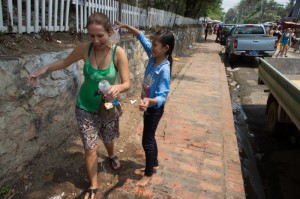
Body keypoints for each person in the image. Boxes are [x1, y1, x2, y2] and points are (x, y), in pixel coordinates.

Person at [29, 12, 130, 199]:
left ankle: (112, 155)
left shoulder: (118, 52)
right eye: (91, 35)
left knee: (107, 138)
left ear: (109, 32)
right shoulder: (85, 49)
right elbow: (64, 62)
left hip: (107, 106)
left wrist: (117, 88)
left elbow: (127, 83)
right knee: (89, 147)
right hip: (84, 106)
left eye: (100, 35)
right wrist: (43, 69)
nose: (96, 39)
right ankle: (93, 184)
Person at [115, 21, 174, 186]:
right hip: (148, 107)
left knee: (146, 141)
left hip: (154, 109)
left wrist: (149, 101)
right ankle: (154, 162)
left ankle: (148, 173)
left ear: (165, 48)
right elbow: (141, 37)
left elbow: (163, 95)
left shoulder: (164, 69)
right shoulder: (153, 56)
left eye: (156, 44)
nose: (152, 46)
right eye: (153, 44)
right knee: (150, 136)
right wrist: (125, 27)